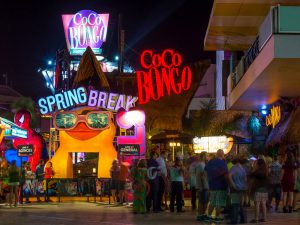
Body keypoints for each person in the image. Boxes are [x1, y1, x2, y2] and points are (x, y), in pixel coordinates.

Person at [205, 149, 229, 223]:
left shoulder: (210, 162)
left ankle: (208, 217)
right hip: (221, 185)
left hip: (212, 185)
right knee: (218, 203)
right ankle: (217, 218)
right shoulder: (223, 163)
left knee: (212, 202)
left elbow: (205, 172)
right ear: (222, 155)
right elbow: (226, 175)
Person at [228, 156, 247, 224]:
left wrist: (233, 184)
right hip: (242, 188)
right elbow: (245, 179)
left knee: (235, 205)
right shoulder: (243, 168)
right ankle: (243, 220)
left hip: (235, 189)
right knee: (240, 204)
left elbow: (229, 176)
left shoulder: (233, 168)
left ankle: (234, 220)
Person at [249, 158, 269, 223]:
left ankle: (256, 218)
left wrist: (254, 167)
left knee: (257, 204)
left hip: (257, 189)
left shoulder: (257, 171)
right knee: (263, 203)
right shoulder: (266, 170)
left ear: (258, 164)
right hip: (265, 189)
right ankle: (264, 218)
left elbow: (250, 175)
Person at [195, 152, 209, 221]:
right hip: (203, 186)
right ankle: (201, 215)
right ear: (203, 156)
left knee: (204, 201)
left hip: (204, 185)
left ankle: (202, 214)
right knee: (202, 201)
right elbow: (201, 176)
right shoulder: (201, 165)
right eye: (206, 156)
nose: (208, 157)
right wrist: (201, 186)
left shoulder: (203, 164)